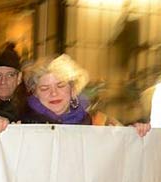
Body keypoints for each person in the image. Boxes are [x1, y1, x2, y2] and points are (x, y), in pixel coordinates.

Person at [22, 54, 150, 137]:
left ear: (73, 89)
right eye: (44, 88)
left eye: (60, 86)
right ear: (36, 94)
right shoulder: (22, 125)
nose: (54, 93)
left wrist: (135, 133)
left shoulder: (99, 122)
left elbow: (125, 148)